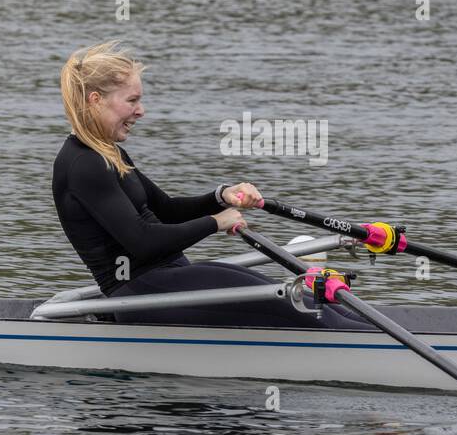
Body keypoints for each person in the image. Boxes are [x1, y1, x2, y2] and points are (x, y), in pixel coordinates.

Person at [52, 41, 372, 330]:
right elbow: (142, 241)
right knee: (296, 304)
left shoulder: (108, 153)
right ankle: (381, 349)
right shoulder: (84, 165)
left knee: (311, 301)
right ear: (96, 100)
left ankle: (373, 334)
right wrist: (216, 223)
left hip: (168, 279)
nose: (141, 111)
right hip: (143, 291)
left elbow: (165, 209)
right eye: (132, 100)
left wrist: (222, 196)